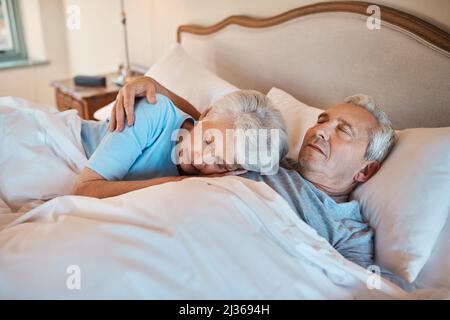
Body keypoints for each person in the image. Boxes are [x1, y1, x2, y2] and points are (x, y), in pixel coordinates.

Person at [111, 76, 397, 268]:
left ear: (366, 170)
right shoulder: (268, 159)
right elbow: (212, 124)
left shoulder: (349, 233)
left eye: (343, 130)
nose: (320, 130)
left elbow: (349, 287)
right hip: (166, 227)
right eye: (322, 120)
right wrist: (157, 88)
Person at [72, 89, 288, 199]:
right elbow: (83, 190)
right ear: (206, 114)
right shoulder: (154, 112)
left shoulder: (234, 172)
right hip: (68, 141)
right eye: (207, 141)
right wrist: (178, 181)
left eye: (220, 163)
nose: (201, 160)